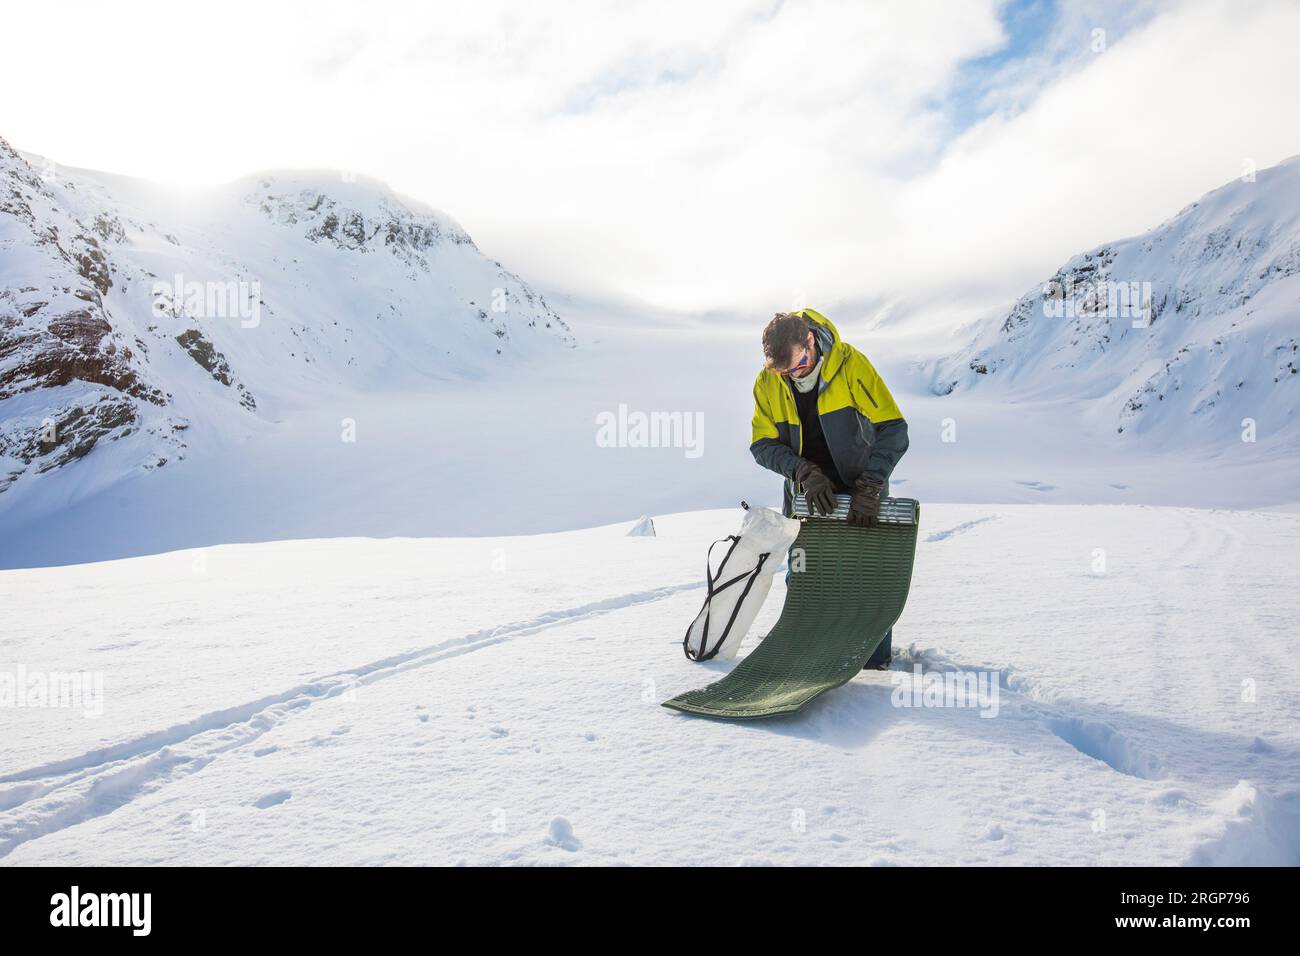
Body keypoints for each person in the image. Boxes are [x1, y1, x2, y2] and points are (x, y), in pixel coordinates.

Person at [748, 308, 909, 669]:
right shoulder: (768, 382)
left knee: (867, 576)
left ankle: (872, 664)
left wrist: (870, 486)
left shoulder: (851, 365)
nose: (794, 374)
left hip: (862, 492)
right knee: (806, 576)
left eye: (799, 364)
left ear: (810, 340)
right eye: (784, 371)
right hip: (809, 497)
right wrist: (803, 471)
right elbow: (762, 445)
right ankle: (807, 656)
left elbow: (895, 429)